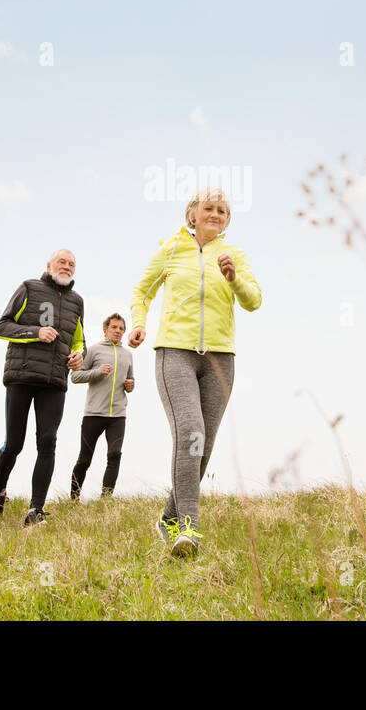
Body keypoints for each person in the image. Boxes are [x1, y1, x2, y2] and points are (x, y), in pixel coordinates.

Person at [129, 189, 261, 558]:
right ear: (192, 213)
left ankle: (169, 516)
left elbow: (254, 301)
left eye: (223, 210)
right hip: (175, 353)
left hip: (220, 358)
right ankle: (187, 530)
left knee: (205, 444)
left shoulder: (234, 255)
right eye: (209, 208)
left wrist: (233, 279)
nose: (216, 214)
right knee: (191, 431)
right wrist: (139, 323)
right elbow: (141, 291)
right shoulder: (170, 250)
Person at [0, 249, 86, 526]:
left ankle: (35, 510)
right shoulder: (29, 287)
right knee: (14, 443)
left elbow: (79, 340)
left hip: (54, 381)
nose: (66, 267)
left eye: (71, 264)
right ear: (49, 265)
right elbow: (1, 326)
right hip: (21, 376)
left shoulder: (77, 301)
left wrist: (79, 356)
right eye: (62, 262)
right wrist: (34, 333)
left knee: (47, 441)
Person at [68, 313, 135, 501]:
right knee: (84, 460)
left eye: (121, 328)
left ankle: (105, 499)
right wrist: (98, 372)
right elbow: (75, 377)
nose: (118, 331)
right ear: (105, 330)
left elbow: (130, 380)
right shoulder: (93, 351)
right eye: (114, 327)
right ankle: (73, 498)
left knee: (115, 455)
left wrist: (130, 385)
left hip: (118, 415)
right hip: (93, 414)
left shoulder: (128, 355)